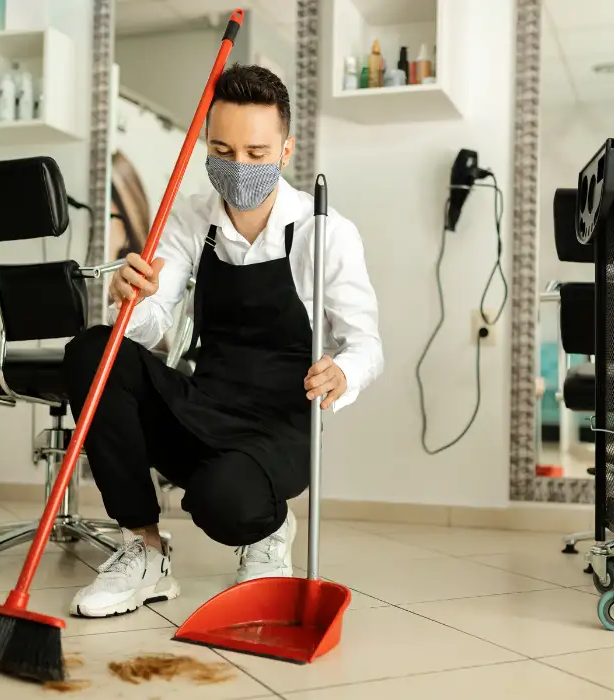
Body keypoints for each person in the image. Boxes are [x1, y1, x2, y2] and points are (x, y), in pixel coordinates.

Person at [62, 65, 383, 618]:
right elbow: (153, 317)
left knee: (222, 503)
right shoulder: (190, 218)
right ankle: (145, 549)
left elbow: (367, 344)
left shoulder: (324, 229)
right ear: (207, 147)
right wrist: (132, 301)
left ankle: (270, 526)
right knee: (94, 349)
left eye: (257, 154)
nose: (240, 168)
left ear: (286, 151)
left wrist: (342, 372)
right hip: (204, 405)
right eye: (223, 151)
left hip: (281, 423)